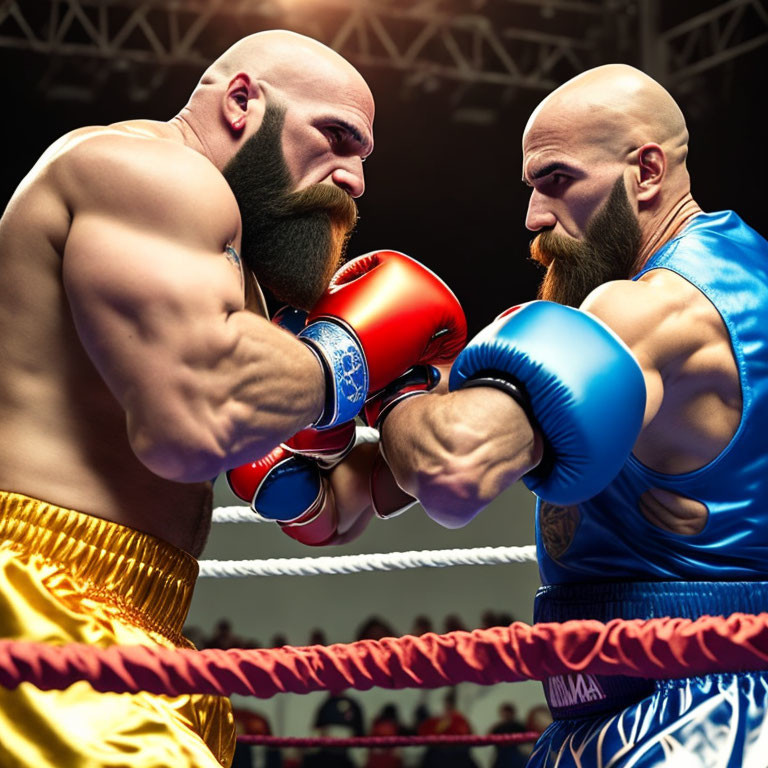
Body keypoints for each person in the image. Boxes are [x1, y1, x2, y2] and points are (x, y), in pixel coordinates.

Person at [0, 28, 466, 767]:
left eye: (363, 156)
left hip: (136, 611)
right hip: (37, 596)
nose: (354, 179)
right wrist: (351, 357)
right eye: (336, 137)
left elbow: (327, 510)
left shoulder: (233, 275)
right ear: (243, 102)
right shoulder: (149, 173)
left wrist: (429, 419)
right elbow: (194, 423)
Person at [379, 62, 768, 764]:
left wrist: (397, 385)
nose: (533, 217)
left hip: (693, 714)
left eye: (556, 180)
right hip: (675, 702)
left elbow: (455, 465)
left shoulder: (652, 307)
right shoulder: (748, 274)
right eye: (530, 187)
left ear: (647, 172)